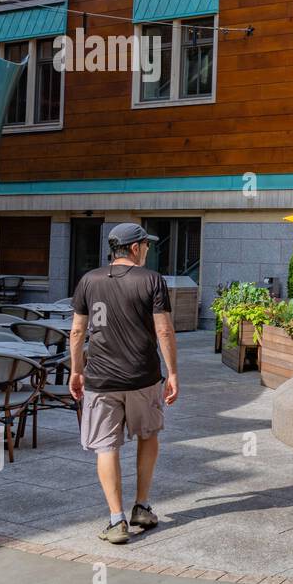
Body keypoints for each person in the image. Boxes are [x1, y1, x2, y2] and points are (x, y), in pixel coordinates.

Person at [69, 224, 179, 544]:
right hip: (143, 377)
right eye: (146, 245)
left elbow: (77, 333)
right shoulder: (152, 280)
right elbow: (164, 332)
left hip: (101, 379)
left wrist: (77, 371)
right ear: (134, 248)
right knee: (148, 435)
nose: (147, 251)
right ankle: (141, 507)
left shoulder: (88, 280)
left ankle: (116, 521)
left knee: (106, 446)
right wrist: (172, 373)